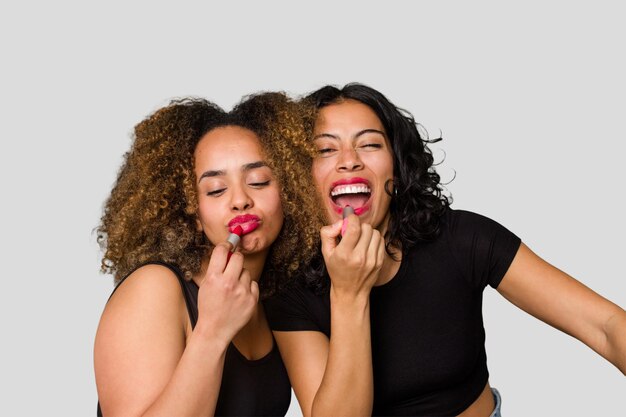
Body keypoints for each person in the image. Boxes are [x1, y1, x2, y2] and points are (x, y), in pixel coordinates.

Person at [264, 83, 626, 417]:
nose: (349, 160)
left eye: (370, 144)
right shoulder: (288, 288)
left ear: (397, 168)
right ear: (301, 176)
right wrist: (348, 293)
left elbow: (605, 326)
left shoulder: (461, 237)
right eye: (325, 149)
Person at [94, 92, 324, 417]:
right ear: (191, 211)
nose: (240, 199)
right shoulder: (154, 288)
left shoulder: (274, 300)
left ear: (290, 191)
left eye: (259, 181)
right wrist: (212, 330)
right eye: (216, 189)